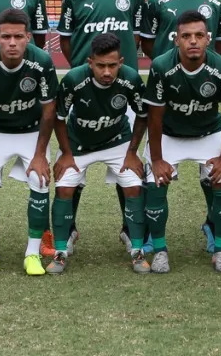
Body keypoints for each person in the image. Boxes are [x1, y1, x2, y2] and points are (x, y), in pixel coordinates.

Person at [57, 0, 145, 253]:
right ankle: (69, 229)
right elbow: (67, 42)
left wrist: (119, 71)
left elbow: (137, 39)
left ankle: (128, 228)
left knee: (128, 163)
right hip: (85, 91)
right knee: (74, 163)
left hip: (122, 90)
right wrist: (84, 68)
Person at [139, 0, 221, 252]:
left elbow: (219, 50)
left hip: (202, 98)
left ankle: (214, 224)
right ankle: (152, 234)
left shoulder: (217, 3)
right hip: (168, 93)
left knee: (214, 174)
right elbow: (149, 45)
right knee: (156, 174)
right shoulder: (157, 2)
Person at [0, 8, 60, 277]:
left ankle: (32, 253)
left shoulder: (42, 61)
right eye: (6, 36)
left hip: (31, 130)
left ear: (29, 37)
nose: (12, 42)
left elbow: (50, 108)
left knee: (40, 180)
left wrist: (41, 153)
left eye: (18, 36)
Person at [143, 10, 221, 273]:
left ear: (209, 39)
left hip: (209, 133)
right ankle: (161, 249)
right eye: (187, 36)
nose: (193, 41)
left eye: (199, 35)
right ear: (176, 39)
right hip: (169, 135)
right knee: (155, 184)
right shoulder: (162, 66)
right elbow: (154, 117)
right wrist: (157, 159)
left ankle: (220, 250)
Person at [49, 33, 147, 274]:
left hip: (117, 141)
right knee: (64, 187)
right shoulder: (74, 79)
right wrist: (65, 153)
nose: (106, 72)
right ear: (90, 62)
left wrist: (132, 152)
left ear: (121, 62)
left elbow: (144, 115)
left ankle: (136, 249)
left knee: (134, 185)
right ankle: (60, 250)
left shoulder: (131, 79)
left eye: (112, 65)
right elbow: (59, 118)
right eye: (101, 65)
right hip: (79, 144)